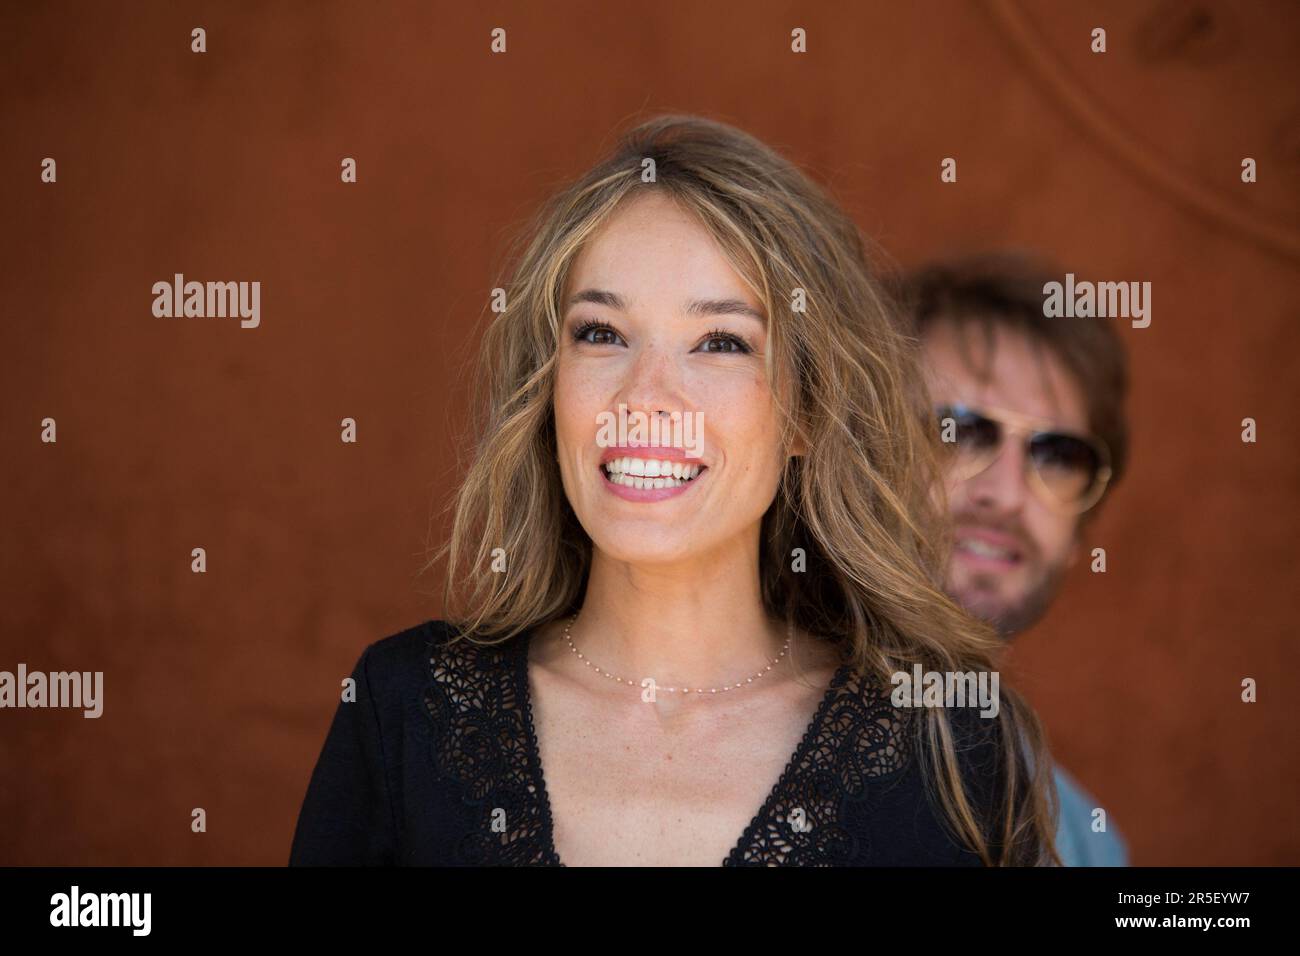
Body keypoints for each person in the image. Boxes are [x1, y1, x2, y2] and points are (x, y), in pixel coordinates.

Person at [289, 116, 1059, 866]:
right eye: (601, 333)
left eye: (720, 342)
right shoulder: (405, 710)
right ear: (549, 383)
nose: (644, 396)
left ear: (807, 414)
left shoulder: (951, 747)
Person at [901, 253, 1131, 866]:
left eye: (1055, 454)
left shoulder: (1086, 847)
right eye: (960, 432)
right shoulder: (711, 737)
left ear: (1080, 530)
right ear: (861, 459)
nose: (1004, 493)